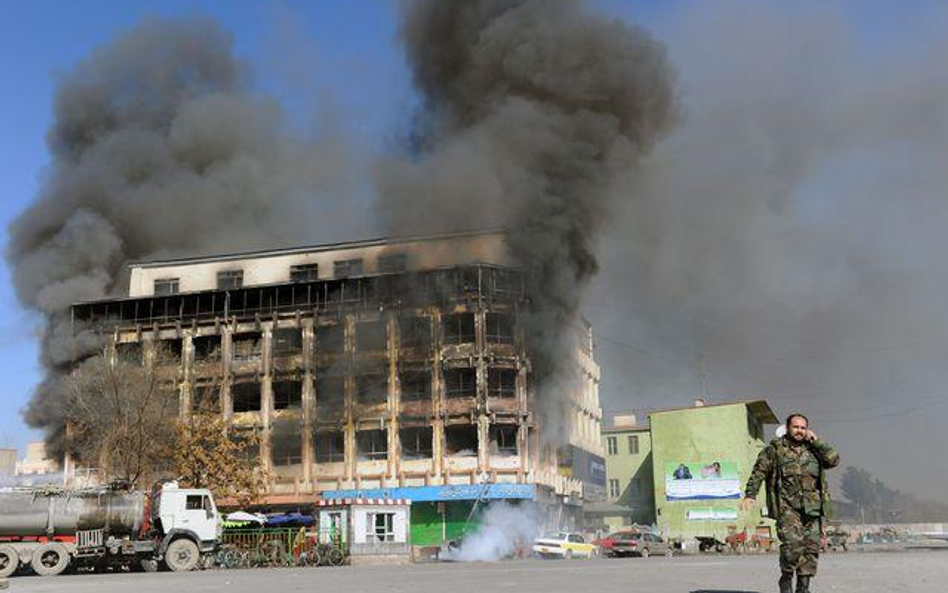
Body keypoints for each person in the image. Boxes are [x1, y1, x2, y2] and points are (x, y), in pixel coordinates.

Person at [741, 413, 839, 593]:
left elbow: (833, 459)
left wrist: (817, 441)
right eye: (796, 427)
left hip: (813, 509)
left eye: (803, 427)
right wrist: (750, 494)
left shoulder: (814, 449)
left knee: (810, 549)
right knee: (793, 546)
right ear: (787, 428)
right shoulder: (775, 450)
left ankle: (803, 588)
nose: (799, 431)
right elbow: (759, 472)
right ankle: (786, 578)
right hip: (788, 508)